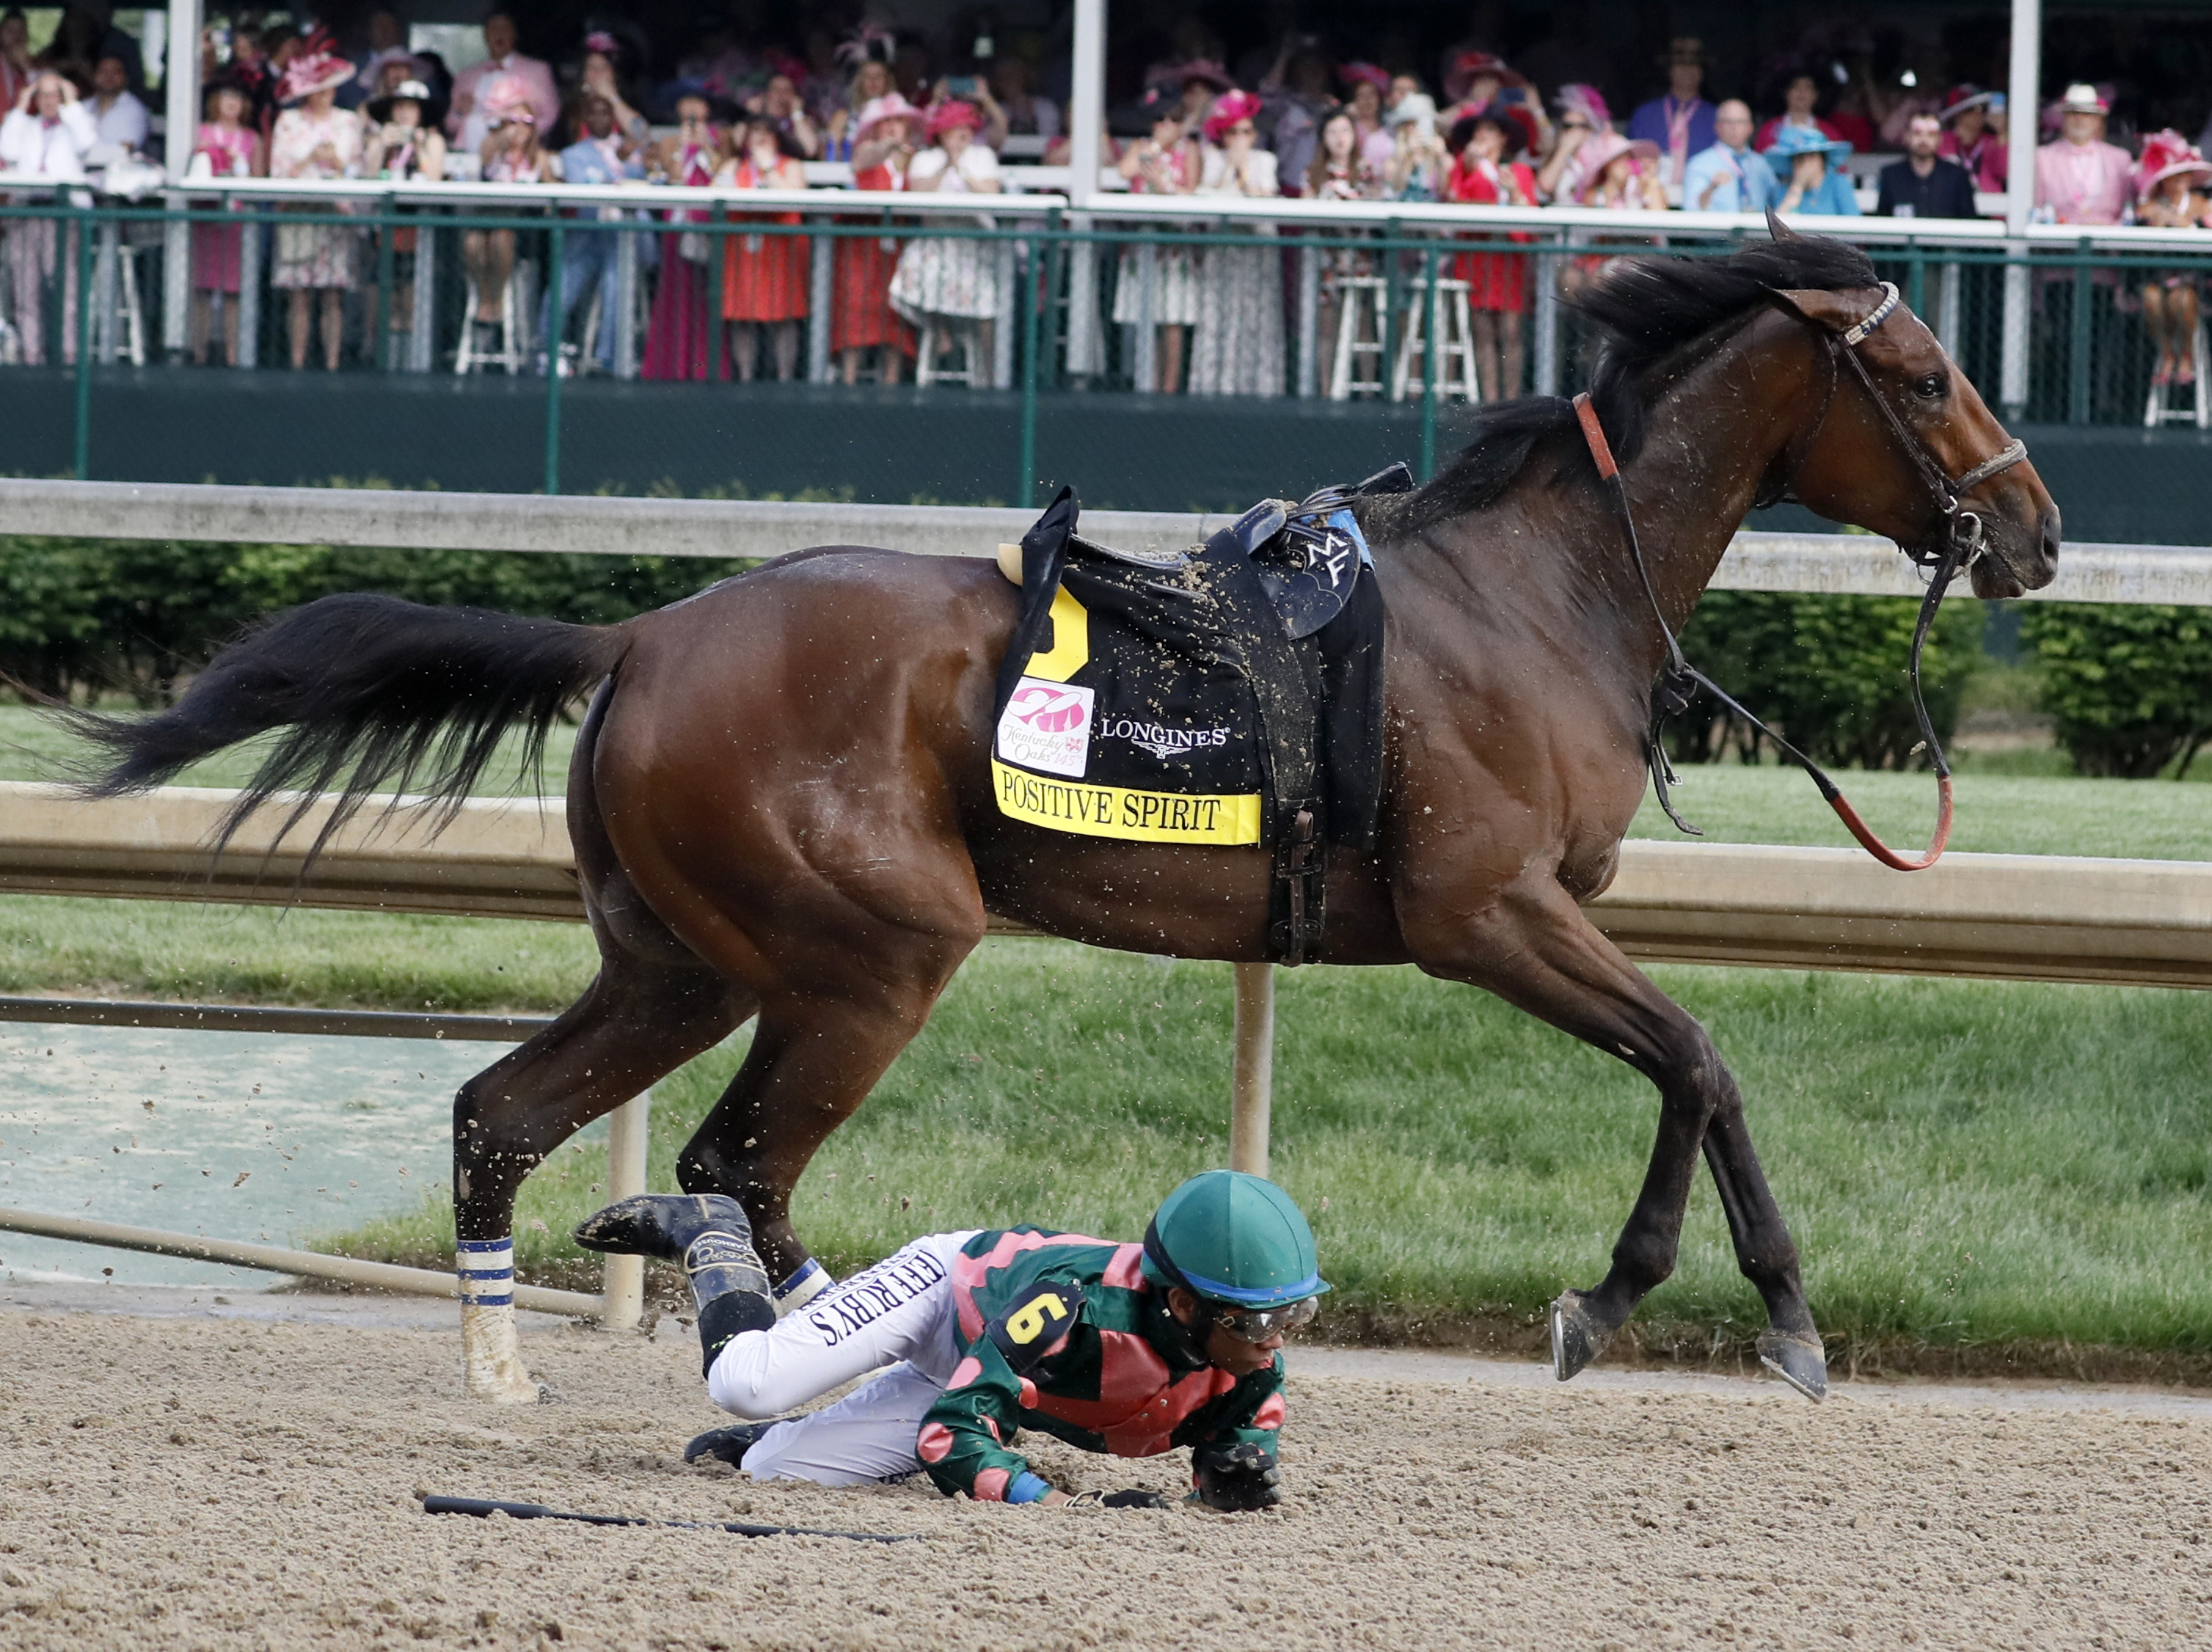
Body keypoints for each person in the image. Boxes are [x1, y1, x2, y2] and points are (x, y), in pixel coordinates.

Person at [574, 1169, 1323, 1509]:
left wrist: (1231, 1482)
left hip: (977, 1369)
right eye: (1261, 1321)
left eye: (1297, 1315)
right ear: (1184, 1303)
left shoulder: (1252, 1362)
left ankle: (790, 1434)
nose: (1277, 1342)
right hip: (945, 1294)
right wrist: (1055, 1503)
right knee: (746, 1384)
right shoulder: (1066, 1305)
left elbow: (1233, 1454)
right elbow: (953, 1433)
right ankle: (713, 1232)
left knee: (773, 1470)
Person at [887, 99, 1001, 381]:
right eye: (955, 129)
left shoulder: (982, 156)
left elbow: (992, 194)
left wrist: (962, 168)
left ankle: (991, 376)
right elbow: (918, 194)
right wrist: (947, 164)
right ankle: (941, 331)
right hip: (936, 239)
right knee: (919, 267)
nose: (963, 134)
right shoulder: (926, 159)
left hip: (974, 242)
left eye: (967, 128)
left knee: (986, 308)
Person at [266, 42, 362, 371]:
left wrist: (336, 161)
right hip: (299, 211)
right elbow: (278, 170)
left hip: (335, 214)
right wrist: (309, 158)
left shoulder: (348, 122)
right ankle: (297, 362)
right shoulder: (289, 121)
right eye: (319, 90)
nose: (325, 95)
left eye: (329, 89)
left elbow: (357, 169)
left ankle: (332, 363)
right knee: (299, 294)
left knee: (333, 295)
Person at [1186, 89, 1282, 398]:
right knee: (1219, 313)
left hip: (1257, 249)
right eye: (1233, 132)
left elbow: (1261, 196)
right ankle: (1214, 385)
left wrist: (1244, 169)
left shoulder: (1266, 160)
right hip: (1223, 250)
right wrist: (1231, 167)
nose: (1240, 139)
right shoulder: (1213, 160)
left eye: (1246, 132)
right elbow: (1211, 196)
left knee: (1257, 316)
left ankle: (1260, 387)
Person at [1, 70, 96, 365]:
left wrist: (71, 102)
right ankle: (32, 352)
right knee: (25, 287)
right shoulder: (27, 127)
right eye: (43, 95)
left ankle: (69, 353)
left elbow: (87, 143)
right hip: (28, 211)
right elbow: (6, 149)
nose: (49, 101)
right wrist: (21, 105)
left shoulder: (73, 126)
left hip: (62, 213)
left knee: (66, 287)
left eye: (54, 95)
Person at [1446, 104, 1538, 402]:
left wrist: (1514, 192)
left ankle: (1510, 400)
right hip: (1478, 258)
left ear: (1503, 138)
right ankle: (1489, 400)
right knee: (1483, 331)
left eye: (1489, 130)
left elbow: (1532, 216)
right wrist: (1468, 166)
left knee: (1511, 332)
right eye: (1478, 130)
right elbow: (1453, 200)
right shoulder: (1465, 167)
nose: (1482, 136)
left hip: (1509, 260)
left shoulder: (1520, 172)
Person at [832, 92, 921, 384]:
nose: (893, 127)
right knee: (856, 311)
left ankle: (891, 381)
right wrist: (888, 146)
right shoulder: (867, 152)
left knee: (895, 314)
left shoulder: (915, 160)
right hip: (862, 249)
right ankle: (848, 382)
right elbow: (860, 162)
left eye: (898, 121)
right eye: (886, 121)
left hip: (897, 247)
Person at [1112, 101, 1200, 392]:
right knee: (1146, 316)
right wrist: (1156, 148)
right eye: (1161, 120)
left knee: (1172, 319)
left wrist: (1165, 187)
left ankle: (1169, 389)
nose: (1167, 126)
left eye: (1174, 120)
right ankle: (1146, 384)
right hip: (1142, 244)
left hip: (1174, 244)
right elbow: (1126, 171)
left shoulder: (1190, 150)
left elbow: (1192, 189)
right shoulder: (1142, 147)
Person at [715, 114, 808, 382]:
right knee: (741, 314)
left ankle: (785, 377)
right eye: (755, 132)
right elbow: (715, 194)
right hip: (742, 251)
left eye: (767, 133)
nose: (761, 138)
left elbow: (795, 198)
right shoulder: (733, 166)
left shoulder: (791, 166)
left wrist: (768, 169)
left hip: (781, 252)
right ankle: (745, 376)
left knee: (784, 315)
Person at [461, 76, 552, 346]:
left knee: (502, 237)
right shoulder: (492, 148)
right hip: (487, 218)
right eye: (513, 121)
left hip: (522, 226)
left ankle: (497, 301)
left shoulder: (539, 158)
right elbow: (485, 156)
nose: (520, 128)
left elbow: (552, 194)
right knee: (473, 241)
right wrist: (504, 135)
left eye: (527, 122)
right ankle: (485, 298)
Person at [642, 88, 721, 381]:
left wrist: (705, 145)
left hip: (708, 221)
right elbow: (675, 176)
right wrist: (684, 146)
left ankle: (705, 364)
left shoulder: (720, 138)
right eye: (687, 103)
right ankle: (674, 364)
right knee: (677, 289)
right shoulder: (668, 142)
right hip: (678, 221)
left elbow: (719, 170)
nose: (692, 108)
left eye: (698, 103)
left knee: (707, 291)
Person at [187, 80, 262, 365]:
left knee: (234, 288)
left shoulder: (252, 139)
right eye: (226, 98)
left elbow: (259, 178)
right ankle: (199, 351)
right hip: (207, 217)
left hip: (238, 222)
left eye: (237, 99)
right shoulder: (201, 132)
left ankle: (234, 352)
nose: (232, 104)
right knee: (203, 287)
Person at [1307, 107, 1378, 398]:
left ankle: (1367, 390)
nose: (1340, 138)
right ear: (1323, 138)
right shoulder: (1314, 174)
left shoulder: (1366, 172)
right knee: (1328, 326)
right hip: (1327, 260)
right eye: (1333, 131)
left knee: (1363, 325)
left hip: (1360, 258)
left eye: (1345, 130)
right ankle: (1327, 390)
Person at [2134, 131, 2212, 388]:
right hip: (2158, 277)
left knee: (2181, 299)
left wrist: (2187, 226)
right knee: (2151, 297)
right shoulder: (2149, 209)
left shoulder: (2203, 206)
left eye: (2184, 174)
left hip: (2195, 280)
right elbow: (2135, 248)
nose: (2180, 180)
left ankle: (2186, 356)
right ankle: (2167, 354)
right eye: (2173, 175)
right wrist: (2155, 225)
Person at [448, 10, 558, 156]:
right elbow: (450, 124)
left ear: (515, 34)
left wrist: (522, 134)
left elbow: (550, 115)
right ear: (485, 35)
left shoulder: (537, 70)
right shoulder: (466, 76)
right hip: (472, 151)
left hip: (518, 152)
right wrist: (460, 112)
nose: (499, 34)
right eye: (494, 29)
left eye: (505, 28)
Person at [1627, 36, 1715, 194]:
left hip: (1701, 198)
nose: (1686, 69)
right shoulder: (1644, 115)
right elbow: (1630, 162)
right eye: (1680, 64)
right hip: (1650, 196)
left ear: (1702, 72)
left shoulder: (1716, 118)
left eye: (1693, 64)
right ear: (1670, 69)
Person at [2035, 83, 2131, 227]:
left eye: (2087, 114)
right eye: (2073, 113)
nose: (2079, 119)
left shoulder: (2120, 159)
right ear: (2064, 118)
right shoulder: (2043, 157)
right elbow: (2036, 208)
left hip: (2108, 237)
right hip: (2058, 238)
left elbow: (2129, 211)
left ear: (2098, 120)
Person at [1683, 100, 1778, 214]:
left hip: (1757, 225)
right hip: (1718, 225)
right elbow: (1692, 209)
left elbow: (1776, 203)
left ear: (1750, 128)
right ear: (1717, 127)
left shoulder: (1762, 164)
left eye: (1740, 122)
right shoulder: (1699, 164)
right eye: (1728, 122)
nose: (1734, 128)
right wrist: (1711, 188)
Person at [1876, 113, 1975, 219]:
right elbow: (1882, 221)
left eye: (1931, 134)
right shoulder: (1891, 176)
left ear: (1940, 139)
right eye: (1917, 133)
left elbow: (1969, 222)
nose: (1924, 140)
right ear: (1907, 136)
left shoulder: (1957, 177)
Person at [1536, 84, 1613, 204]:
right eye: (1567, 126)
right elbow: (1545, 186)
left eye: (1580, 126)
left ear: (1589, 130)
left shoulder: (1600, 156)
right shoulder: (1555, 155)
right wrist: (1564, 150)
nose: (1572, 131)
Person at [1764, 125, 1858, 216]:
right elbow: (1777, 224)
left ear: (1822, 159)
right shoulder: (1784, 190)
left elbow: (1853, 220)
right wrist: (1797, 187)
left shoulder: (1838, 183)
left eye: (1812, 156)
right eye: (1800, 158)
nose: (1806, 163)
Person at [577, 33, 648, 153]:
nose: (598, 73)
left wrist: (612, 98)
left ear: (613, 74)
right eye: (592, 68)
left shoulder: (627, 103)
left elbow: (642, 135)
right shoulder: (572, 109)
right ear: (584, 75)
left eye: (604, 67)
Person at [1753, 68, 1843, 154]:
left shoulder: (1829, 133)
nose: (1802, 92)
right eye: (1796, 87)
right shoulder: (1768, 131)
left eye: (1808, 88)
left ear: (1816, 95)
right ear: (1786, 93)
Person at [1937, 84, 2007, 194]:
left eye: (1983, 109)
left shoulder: (1992, 142)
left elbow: (2005, 171)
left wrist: (2002, 133)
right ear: (1957, 116)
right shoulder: (1945, 141)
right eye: (1975, 109)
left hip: (1989, 203)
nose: (1981, 113)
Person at [1339, 64, 1395, 175]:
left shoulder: (1389, 129)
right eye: (1361, 95)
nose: (1367, 100)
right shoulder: (1349, 129)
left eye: (1372, 95)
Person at [85, 51, 145, 152]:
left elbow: (124, 150)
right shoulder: (84, 107)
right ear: (94, 76)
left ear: (126, 77)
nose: (109, 76)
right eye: (103, 71)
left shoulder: (134, 110)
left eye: (116, 72)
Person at [0, 10, 34, 116]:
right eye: (11, 31)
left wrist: (27, 68)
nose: (16, 36)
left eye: (21, 31)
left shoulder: (33, 68)